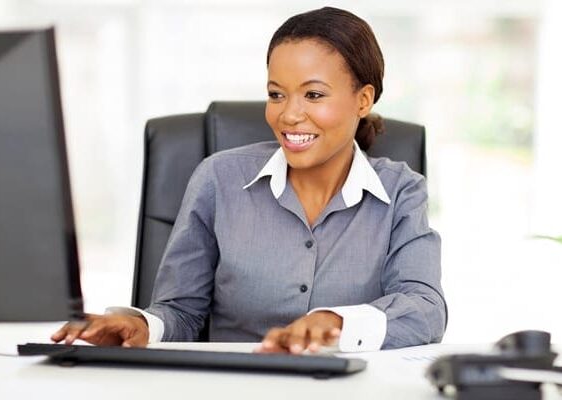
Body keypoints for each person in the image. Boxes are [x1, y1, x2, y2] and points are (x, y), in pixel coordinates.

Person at [52, 6, 447, 353]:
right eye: (276, 94)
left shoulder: (400, 191)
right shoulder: (219, 178)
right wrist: (142, 325)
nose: (289, 115)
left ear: (363, 99)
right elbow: (181, 313)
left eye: (313, 95)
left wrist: (338, 323)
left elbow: (426, 310)